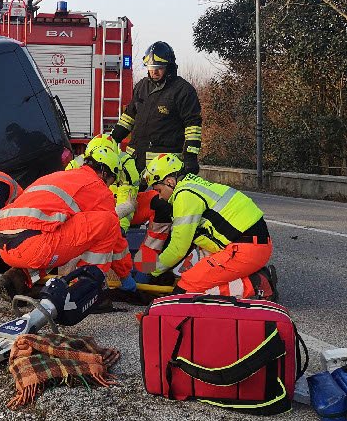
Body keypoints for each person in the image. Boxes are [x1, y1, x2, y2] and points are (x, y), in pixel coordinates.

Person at [0, 142, 135, 299]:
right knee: (109, 221)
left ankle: (16, 278)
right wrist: (125, 275)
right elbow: (114, 234)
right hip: (35, 248)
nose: (109, 186)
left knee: (55, 233)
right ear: (105, 173)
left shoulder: (61, 176)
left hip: (6, 247)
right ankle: (89, 289)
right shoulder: (98, 188)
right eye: (111, 181)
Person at [140, 153, 277, 299]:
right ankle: (252, 277)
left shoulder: (185, 196)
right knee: (197, 276)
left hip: (245, 249)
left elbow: (178, 248)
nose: (160, 197)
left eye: (159, 190)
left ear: (169, 182)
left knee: (187, 290)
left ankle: (257, 284)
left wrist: (152, 271)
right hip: (251, 244)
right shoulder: (194, 185)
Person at [110, 41, 202, 174]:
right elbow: (128, 117)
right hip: (134, 161)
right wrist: (113, 139)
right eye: (150, 66)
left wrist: (190, 157)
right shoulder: (142, 86)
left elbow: (193, 127)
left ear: (169, 67)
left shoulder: (183, 91)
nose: (154, 71)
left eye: (159, 67)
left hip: (162, 167)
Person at [65, 135, 141, 230]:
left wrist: (120, 227)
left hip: (113, 207)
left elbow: (126, 196)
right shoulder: (76, 165)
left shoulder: (125, 164)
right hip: (87, 212)